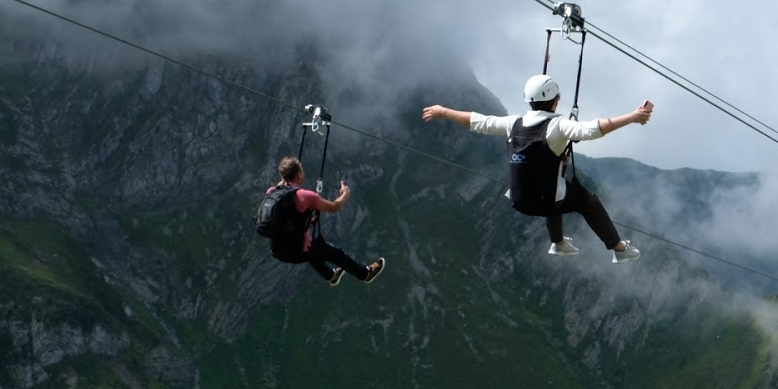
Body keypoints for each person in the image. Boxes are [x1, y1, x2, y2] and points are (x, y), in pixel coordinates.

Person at [422, 75, 653, 262]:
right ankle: (619, 249)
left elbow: (478, 121)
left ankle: (559, 243)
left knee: (555, 182)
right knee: (588, 203)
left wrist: (443, 111)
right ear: (555, 100)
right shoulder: (558, 126)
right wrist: (632, 117)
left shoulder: (514, 123)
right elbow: (593, 129)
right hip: (545, 201)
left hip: (519, 200)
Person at [265, 156, 386, 285]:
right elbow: (334, 207)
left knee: (313, 245)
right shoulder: (305, 196)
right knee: (336, 254)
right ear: (299, 174)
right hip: (296, 250)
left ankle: (330, 276)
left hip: (277, 249)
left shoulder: (272, 192)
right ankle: (365, 274)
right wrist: (345, 194)